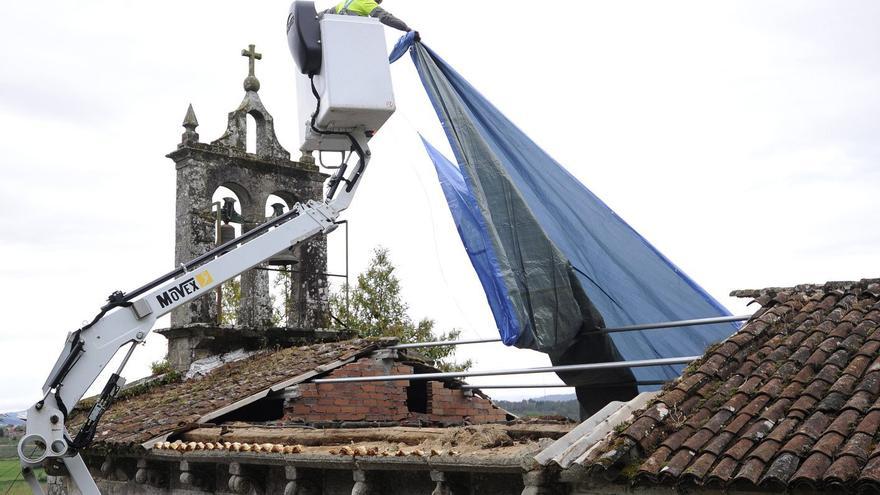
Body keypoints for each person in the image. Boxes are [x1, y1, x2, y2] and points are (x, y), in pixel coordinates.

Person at [323, 0, 413, 33]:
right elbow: (385, 17)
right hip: (355, 35)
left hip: (339, 35)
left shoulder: (344, 3)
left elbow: (324, 14)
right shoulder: (366, 2)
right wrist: (406, 28)